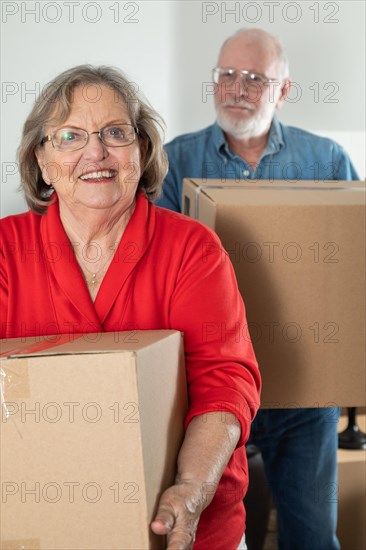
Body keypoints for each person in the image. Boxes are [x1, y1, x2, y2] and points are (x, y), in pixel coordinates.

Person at [0, 64, 260, 550]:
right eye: (70, 135)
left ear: (142, 149)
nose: (95, 152)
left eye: (115, 133)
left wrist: (190, 491)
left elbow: (224, 386)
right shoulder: (5, 251)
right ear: (40, 157)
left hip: (189, 528)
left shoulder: (192, 249)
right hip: (40, 524)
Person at [156, 28, 359, 550]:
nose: (236, 88)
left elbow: (352, 270)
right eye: (226, 75)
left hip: (303, 396)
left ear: (284, 89)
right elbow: (156, 275)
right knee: (220, 537)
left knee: (313, 537)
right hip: (210, 397)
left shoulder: (326, 162)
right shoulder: (175, 162)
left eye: (254, 78)